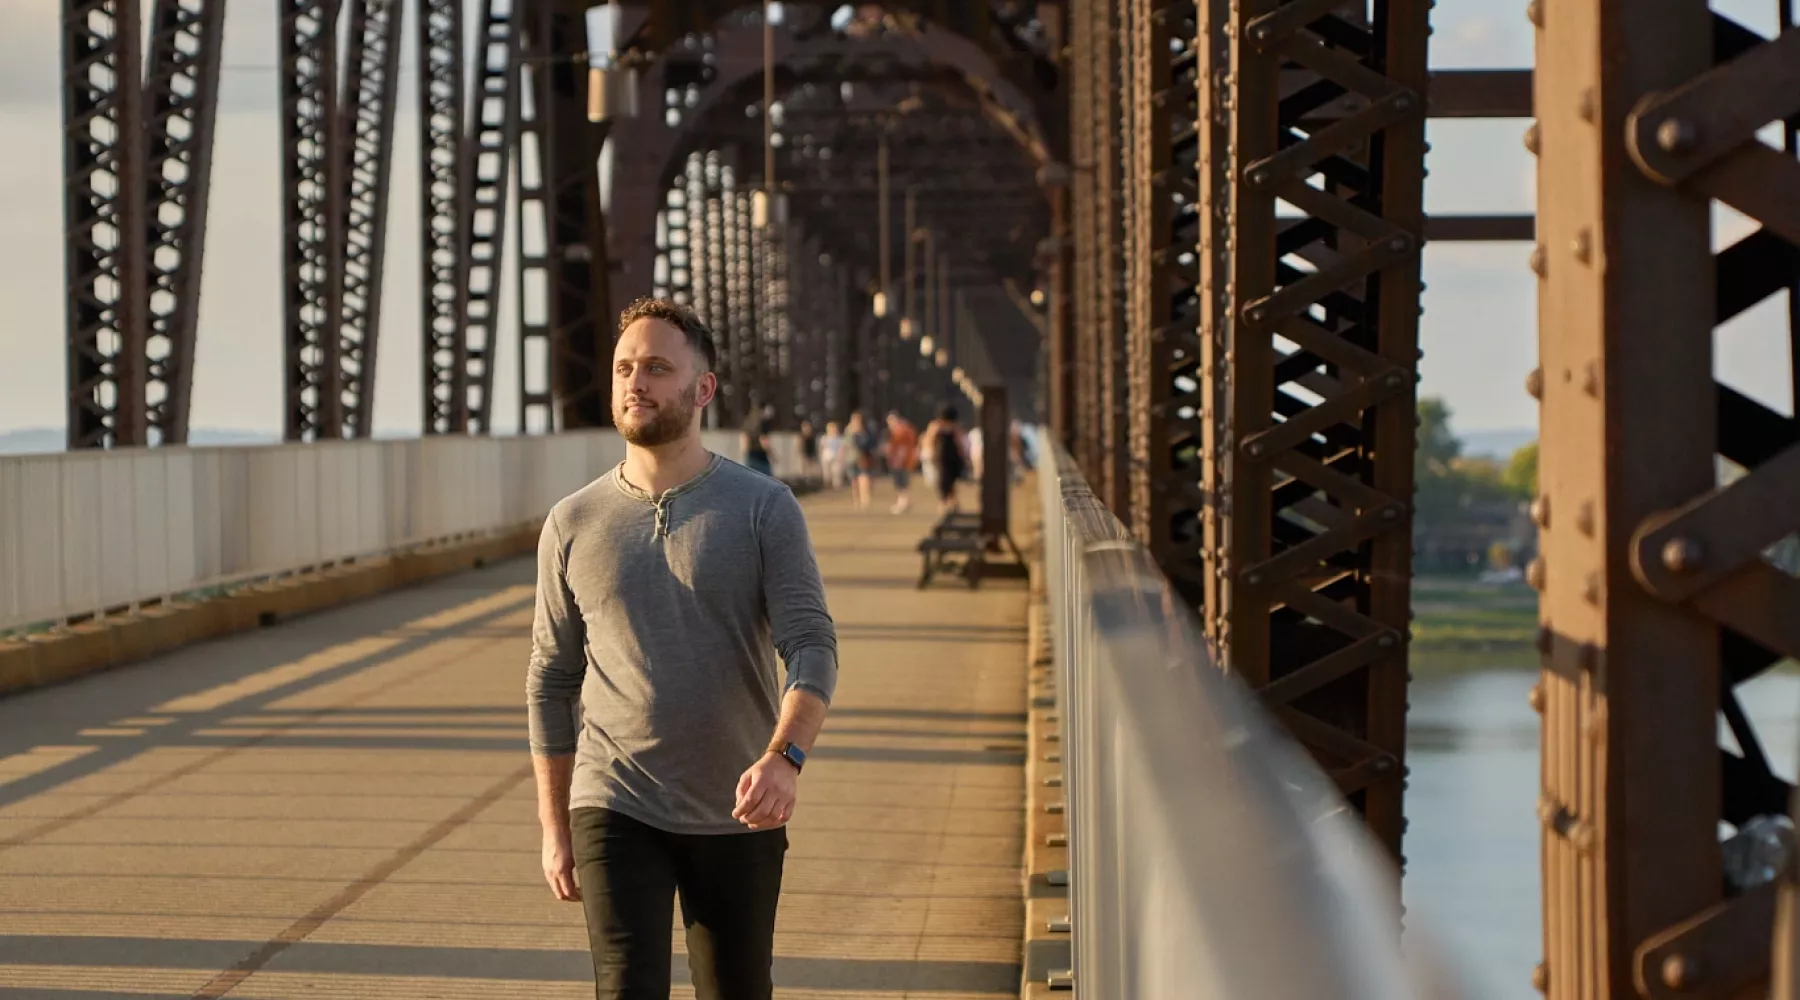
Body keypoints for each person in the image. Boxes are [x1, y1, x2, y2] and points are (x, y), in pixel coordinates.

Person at [526, 297, 838, 1000]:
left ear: (703, 389)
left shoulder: (761, 507)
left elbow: (812, 646)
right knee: (626, 988)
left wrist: (786, 758)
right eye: (624, 368)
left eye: (658, 368)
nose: (636, 382)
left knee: (736, 989)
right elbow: (551, 679)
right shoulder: (572, 522)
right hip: (614, 798)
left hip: (738, 803)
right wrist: (556, 824)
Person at [922, 405, 970, 515]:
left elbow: (929, 440)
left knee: (949, 481)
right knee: (944, 481)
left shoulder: (943, 427)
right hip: (944, 458)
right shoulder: (938, 427)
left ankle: (950, 502)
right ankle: (946, 502)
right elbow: (930, 440)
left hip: (947, 458)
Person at [883, 410, 919, 515]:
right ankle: (903, 501)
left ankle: (903, 502)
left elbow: (902, 447)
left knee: (901, 482)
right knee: (901, 482)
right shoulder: (902, 429)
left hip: (901, 460)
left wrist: (898, 459)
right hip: (901, 459)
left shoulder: (902, 430)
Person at [843, 412, 877, 509]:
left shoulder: (866, 430)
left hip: (863, 458)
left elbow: (868, 443)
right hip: (851, 458)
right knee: (854, 480)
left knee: (864, 478)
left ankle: (865, 498)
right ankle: (856, 499)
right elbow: (846, 444)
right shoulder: (848, 430)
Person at [741, 405, 773, 478]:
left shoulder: (747, 425)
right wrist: (773, 455)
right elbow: (764, 442)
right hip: (761, 458)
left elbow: (744, 444)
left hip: (751, 457)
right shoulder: (762, 425)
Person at [820, 421, 845, 490]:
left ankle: (837, 486)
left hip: (836, 457)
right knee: (827, 473)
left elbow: (842, 448)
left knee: (836, 472)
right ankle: (828, 486)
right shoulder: (824, 438)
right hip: (826, 457)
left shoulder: (840, 438)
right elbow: (822, 448)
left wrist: (841, 457)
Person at [798, 419, 820, 484]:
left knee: (811, 471)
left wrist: (814, 456)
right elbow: (799, 448)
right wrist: (803, 456)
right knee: (805, 470)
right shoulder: (801, 437)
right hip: (804, 456)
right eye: (805, 427)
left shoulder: (812, 437)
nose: (807, 429)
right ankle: (805, 482)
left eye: (808, 427)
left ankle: (811, 482)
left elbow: (814, 447)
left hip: (811, 455)